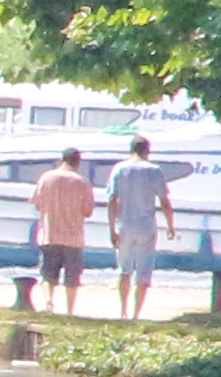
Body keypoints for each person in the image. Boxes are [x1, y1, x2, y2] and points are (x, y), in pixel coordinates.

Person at [104, 132, 179, 319]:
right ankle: (137, 314)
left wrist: (111, 228)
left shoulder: (119, 169)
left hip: (125, 226)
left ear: (130, 150)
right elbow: (164, 201)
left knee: (124, 270)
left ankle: (123, 311)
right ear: (147, 151)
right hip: (146, 226)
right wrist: (170, 225)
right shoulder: (154, 170)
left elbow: (112, 200)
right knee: (144, 272)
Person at [29, 143, 102, 314]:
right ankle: (69, 309)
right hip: (73, 237)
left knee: (48, 273)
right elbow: (88, 212)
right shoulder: (83, 182)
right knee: (72, 278)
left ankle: (48, 303)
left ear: (61, 160)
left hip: (49, 233)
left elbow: (37, 204)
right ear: (78, 163)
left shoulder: (46, 178)